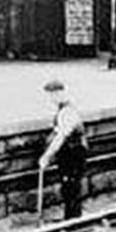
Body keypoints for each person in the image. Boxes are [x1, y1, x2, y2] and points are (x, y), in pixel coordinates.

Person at [38, 79, 88, 220]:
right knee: (69, 187)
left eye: (51, 95)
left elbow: (61, 137)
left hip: (73, 153)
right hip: (71, 152)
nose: (50, 99)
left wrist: (46, 156)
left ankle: (73, 219)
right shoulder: (65, 109)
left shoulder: (67, 112)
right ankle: (71, 217)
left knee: (71, 187)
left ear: (58, 93)